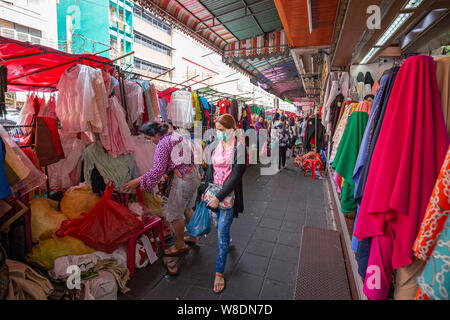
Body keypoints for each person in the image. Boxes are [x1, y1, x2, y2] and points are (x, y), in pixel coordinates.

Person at [123, 121, 201, 256]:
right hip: (193, 174)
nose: (151, 142)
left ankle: (180, 245)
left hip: (183, 179)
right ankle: (194, 236)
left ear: (157, 134)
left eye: (150, 138)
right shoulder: (176, 136)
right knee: (188, 208)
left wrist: (137, 181)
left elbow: (157, 171)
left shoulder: (162, 144)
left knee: (175, 213)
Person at [204, 114, 247, 293]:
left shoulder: (241, 150)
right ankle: (227, 237)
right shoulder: (214, 146)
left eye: (222, 130)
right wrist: (206, 192)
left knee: (221, 234)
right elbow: (209, 170)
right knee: (217, 226)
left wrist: (218, 197)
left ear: (232, 129)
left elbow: (235, 178)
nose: (219, 133)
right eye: (217, 130)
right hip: (212, 196)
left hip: (227, 198)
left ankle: (219, 273)